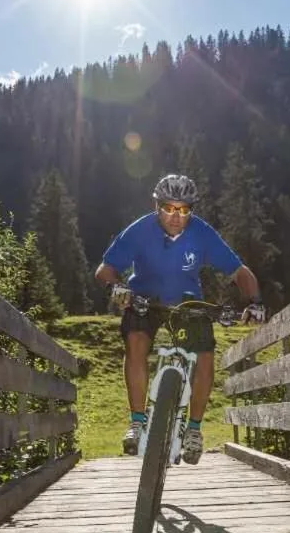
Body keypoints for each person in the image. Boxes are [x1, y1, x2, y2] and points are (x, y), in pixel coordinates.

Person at [94, 173, 266, 465]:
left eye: (184, 209)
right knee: (135, 340)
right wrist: (117, 287)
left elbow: (240, 272)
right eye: (169, 208)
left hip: (188, 300)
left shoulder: (202, 233)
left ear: (191, 210)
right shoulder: (139, 230)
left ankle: (194, 429)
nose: (176, 216)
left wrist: (255, 302)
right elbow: (105, 269)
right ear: (156, 205)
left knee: (205, 356)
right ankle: (137, 422)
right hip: (144, 297)